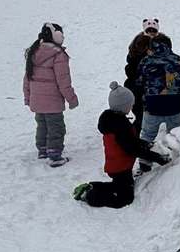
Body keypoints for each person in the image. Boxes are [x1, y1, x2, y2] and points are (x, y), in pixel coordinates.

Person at [73, 82, 169, 208]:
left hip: (119, 164)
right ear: (123, 106)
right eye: (130, 104)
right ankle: (90, 196)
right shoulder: (120, 127)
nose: (132, 106)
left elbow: (131, 141)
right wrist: (157, 157)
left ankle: (92, 186)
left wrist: (146, 144)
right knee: (125, 198)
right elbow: (132, 149)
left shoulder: (115, 120)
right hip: (120, 168)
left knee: (120, 186)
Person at [23, 22, 79, 167]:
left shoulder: (34, 51)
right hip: (53, 102)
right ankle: (54, 155)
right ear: (57, 36)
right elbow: (63, 81)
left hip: (37, 101)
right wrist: (72, 99)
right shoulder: (58, 55)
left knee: (42, 126)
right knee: (56, 128)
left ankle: (43, 150)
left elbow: (27, 79)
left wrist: (28, 97)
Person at [138, 33, 180, 170]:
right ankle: (173, 164)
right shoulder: (179, 61)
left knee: (147, 136)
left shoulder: (145, 61)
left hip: (152, 106)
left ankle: (144, 164)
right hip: (175, 105)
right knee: (174, 134)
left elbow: (139, 82)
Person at [124, 32, 152, 133]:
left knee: (140, 116)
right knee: (142, 117)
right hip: (139, 92)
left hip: (134, 91)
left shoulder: (132, 58)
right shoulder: (144, 60)